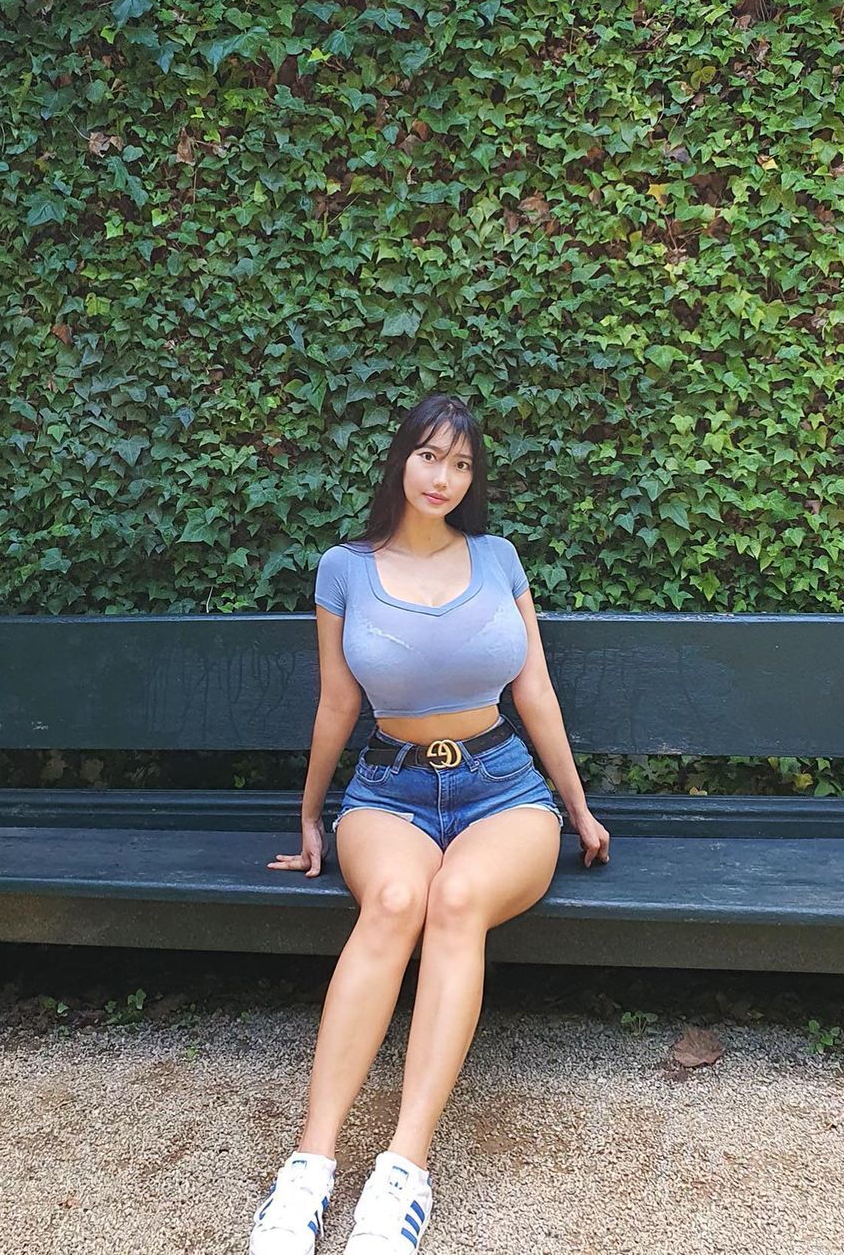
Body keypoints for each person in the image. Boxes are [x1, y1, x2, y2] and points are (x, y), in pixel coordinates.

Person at [248, 393, 611, 1255]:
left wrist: (577, 805)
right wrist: (309, 812)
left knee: (455, 901)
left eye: (461, 464)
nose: (443, 476)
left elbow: (535, 690)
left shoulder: (498, 559)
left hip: (503, 789)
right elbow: (338, 703)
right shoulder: (344, 568)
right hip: (388, 789)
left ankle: (403, 1170)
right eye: (429, 456)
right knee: (395, 900)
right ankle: (308, 1168)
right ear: (401, 460)